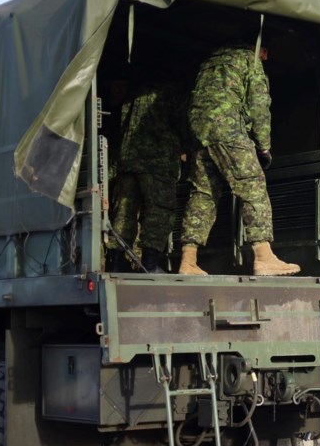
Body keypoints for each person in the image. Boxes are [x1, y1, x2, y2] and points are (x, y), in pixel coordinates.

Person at [178, 44, 299, 276]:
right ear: (260, 48)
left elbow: (188, 102)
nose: (266, 57)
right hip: (227, 128)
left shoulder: (210, 62)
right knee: (252, 184)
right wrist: (264, 147)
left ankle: (188, 260)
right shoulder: (249, 61)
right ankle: (264, 257)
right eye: (266, 52)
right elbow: (259, 105)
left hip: (199, 132)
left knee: (203, 193)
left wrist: (187, 143)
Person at [106, 80, 191, 273]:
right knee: (159, 211)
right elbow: (184, 122)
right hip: (158, 161)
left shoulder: (133, 95)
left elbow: (121, 125)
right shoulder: (170, 92)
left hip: (128, 160)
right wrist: (187, 148)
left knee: (124, 212)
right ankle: (149, 263)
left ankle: (116, 261)